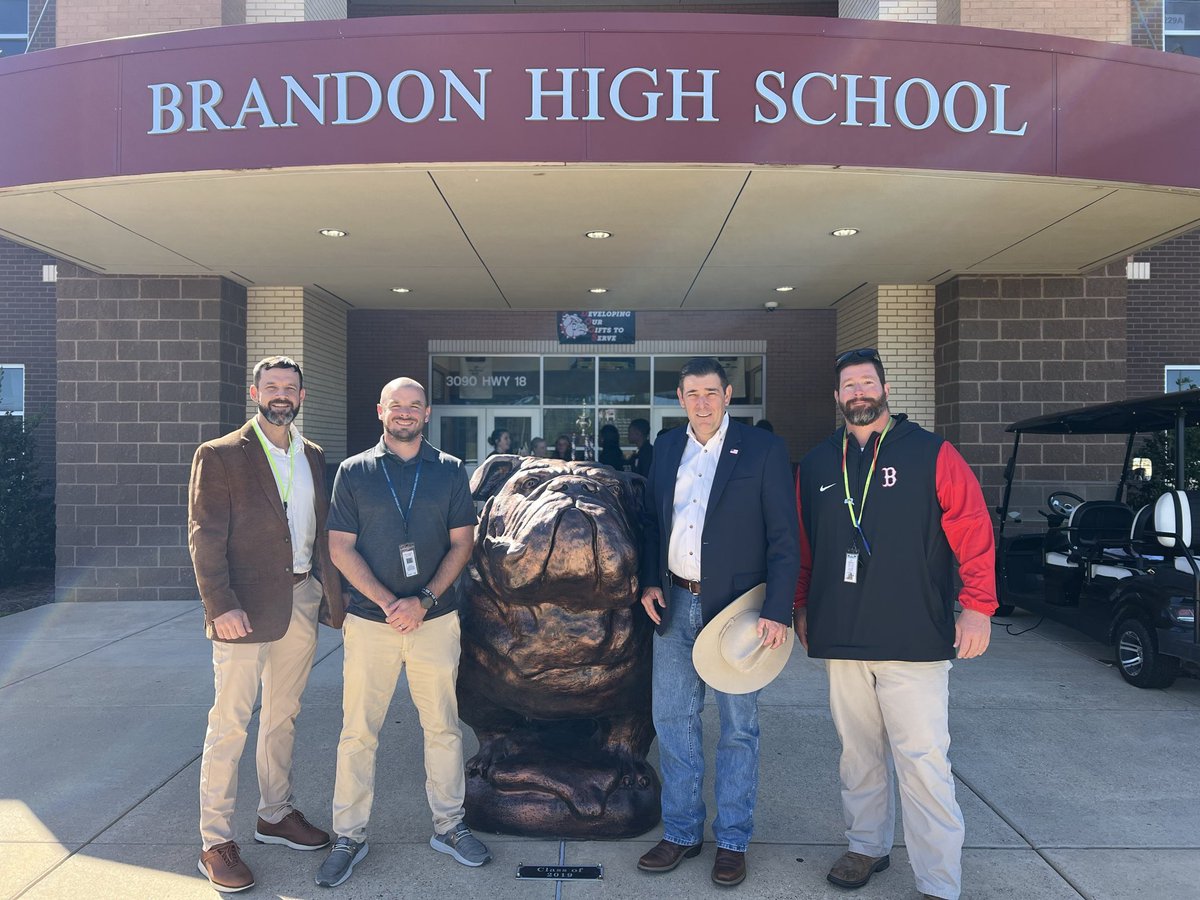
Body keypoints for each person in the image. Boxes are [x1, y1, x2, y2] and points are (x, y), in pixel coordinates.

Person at [793, 348, 996, 900]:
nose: (858, 392)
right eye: (849, 386)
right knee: (856, 753)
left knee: (923, 761)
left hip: (914, 636)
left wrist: (978, 606)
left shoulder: (933, 453)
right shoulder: (815, 465)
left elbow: (973, 530)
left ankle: (938, 881)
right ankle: (866, 847)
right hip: (841, 633)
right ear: (836, 397)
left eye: (867, 382)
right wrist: (802, 605)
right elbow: (806, 548)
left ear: (884, 389)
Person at [316, 376, 490, 887]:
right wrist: (391, 602)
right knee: (357, 732)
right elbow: (340, 547)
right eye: (397, 405)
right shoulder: (354, 472)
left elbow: (463, 543)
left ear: (427, 413)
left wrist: (424, 600)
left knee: (442, 727)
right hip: (371, 624)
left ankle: (450, 826)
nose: (405, 413)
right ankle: (349, 834)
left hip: (435, 622)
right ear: (380, 410)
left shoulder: (451, 471)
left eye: (414, 406)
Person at [636, 357, 800, 888]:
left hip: (740, 612)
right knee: (673, 722)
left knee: (738, 729)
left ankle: (732, 839)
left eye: (711, 392)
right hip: (676, 605)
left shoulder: (763, 450)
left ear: (729, 395)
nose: (702, 402)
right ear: (680, 398)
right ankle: (682, 831)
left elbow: (784, 537)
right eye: (692, 393)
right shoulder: (664, 448)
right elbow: (650, 521)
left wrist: (778, 609)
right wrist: (648, 578)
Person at [189, 355, 344, 893]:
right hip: (242, 609)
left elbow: (318, 531)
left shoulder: (314, 455)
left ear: (301, 396)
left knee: (283, 716)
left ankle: (275, 814)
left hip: (301, 598)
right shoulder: (221, 454)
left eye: (290, 388)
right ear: (254, 392)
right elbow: (204, 535)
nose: (281, 395)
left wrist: (328, 593)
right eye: (272, 386)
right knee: (230, 722)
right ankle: (215, 842)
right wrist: (219, 604)